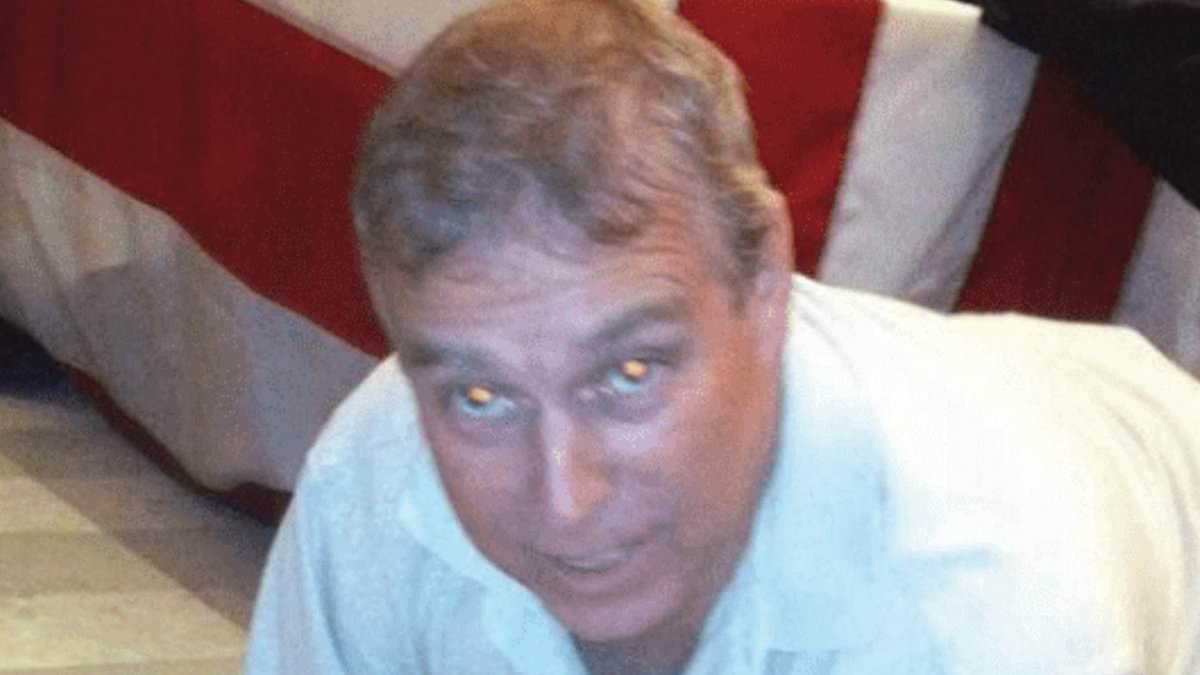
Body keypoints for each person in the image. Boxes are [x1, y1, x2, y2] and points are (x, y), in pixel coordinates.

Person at [244, 1, 1200, 672]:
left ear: (768, 279)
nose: (567, 501)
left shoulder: (988, 617)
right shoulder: (378, 471)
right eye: (482, 398)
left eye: (629, 372)